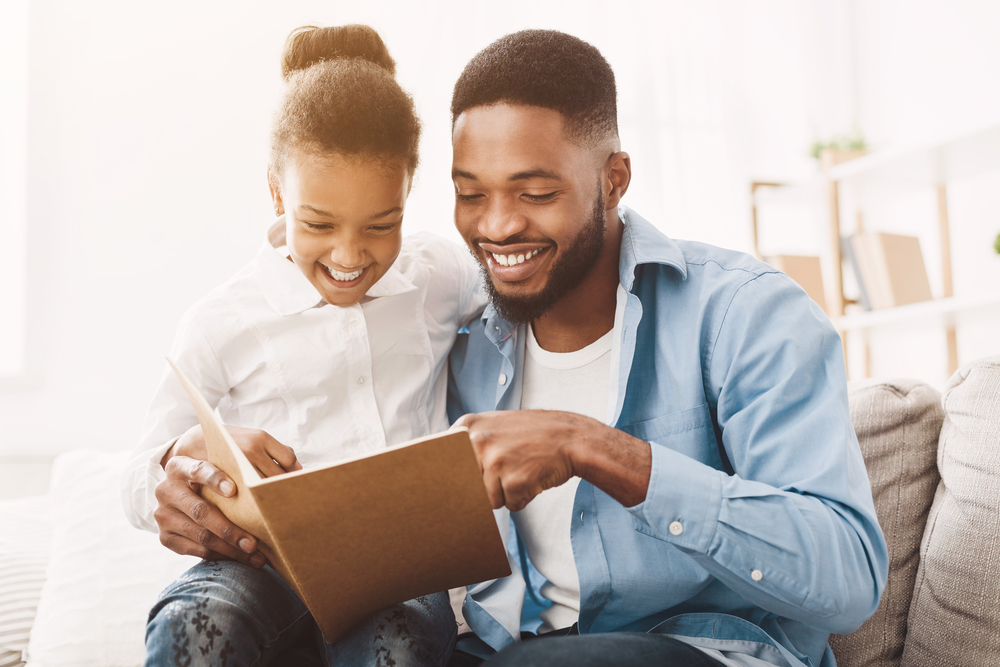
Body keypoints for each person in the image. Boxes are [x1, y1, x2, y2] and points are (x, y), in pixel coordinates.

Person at [444, 30, 889, 667]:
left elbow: (849, 578)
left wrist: (592, 447)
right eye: (470, 194)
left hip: (704, 652)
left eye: (535, 194)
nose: (497, 225)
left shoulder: (745, 313)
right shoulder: (463, 344)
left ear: (614, 179)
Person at [120, 25, 484, 667]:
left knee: (397, 645)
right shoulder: (221, 319)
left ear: (407, 196)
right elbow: (137, 476)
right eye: (318, 224)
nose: (350, 256)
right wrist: (179, 459)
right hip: (256, 566)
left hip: (398, 570)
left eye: (382, 225)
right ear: (277, 193)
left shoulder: (438, 277)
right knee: (190, 627)